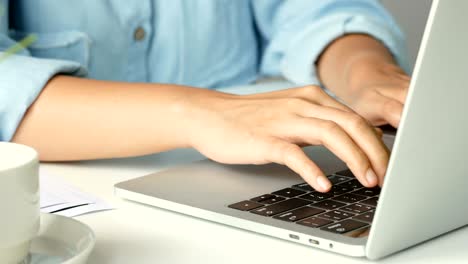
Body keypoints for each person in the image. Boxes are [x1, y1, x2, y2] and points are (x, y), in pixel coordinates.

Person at [0, 0, 410, 193]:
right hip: (58, 202)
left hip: (249, 179)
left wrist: (367, 73)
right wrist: (199, 114)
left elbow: (312, 11)